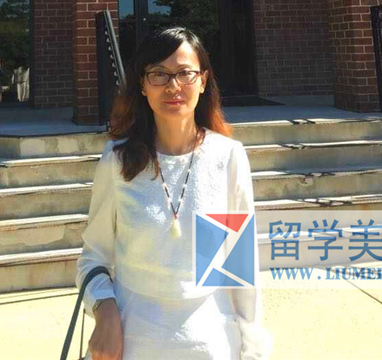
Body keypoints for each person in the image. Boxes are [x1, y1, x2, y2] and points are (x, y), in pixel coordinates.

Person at [76, 26, 273, 360]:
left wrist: (252, 348)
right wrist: (103, 309)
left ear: (203, 80)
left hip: (211, 345)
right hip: (133, 343)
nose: (173, 86)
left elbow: (239, 269)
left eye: (185, 73)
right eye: (159, 74)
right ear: (142, 84)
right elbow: (93, 256)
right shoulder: (118, 160)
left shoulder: (226, 157)